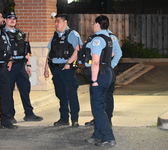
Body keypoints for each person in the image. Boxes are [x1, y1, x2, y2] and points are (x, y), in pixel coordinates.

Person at [3, 12, 43, 123]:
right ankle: (10, 115)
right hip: (9, 66)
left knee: (25, 89)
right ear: (5, 20)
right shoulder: (2, 34)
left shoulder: (20, 34)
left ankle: (29, 114)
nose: (12, 20)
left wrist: (28, 65)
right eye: (10, 18)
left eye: (14, 18)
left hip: (21, 65)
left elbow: (26, 51)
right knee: (8, 91)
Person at [44, 14, 82, 127]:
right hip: (56, 69)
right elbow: (50, 53)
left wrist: (68, 63)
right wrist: (45, 68)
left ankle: (74, 119)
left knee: (71, 94)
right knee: (61, 94)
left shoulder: (72, 34)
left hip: (67, 69)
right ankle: (64, 118)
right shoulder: (55, 36)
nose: (56, 24)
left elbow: (78, 50)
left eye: (58, 21)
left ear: (65, 22)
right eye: (55, 22)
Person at [83, 15, 116, 146]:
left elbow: (95, 62)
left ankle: (108, 137)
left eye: (93, 23)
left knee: (97, 107)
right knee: (100, 105)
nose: (93, 25)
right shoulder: (109, 38)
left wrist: (94, 80)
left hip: (100, 74)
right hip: (108, 72)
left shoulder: (97, 39)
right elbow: (112, 54)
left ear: (97, 24)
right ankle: (97, 135)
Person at [84, 29, 122, 126]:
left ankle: (107, 119)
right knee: (99, 97)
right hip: (99, 70)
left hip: (107, 70)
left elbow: (118, 53)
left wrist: (110, 66)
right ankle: (98, 119)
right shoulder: (96, 37)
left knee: (107, 96)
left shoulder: (111, 37)